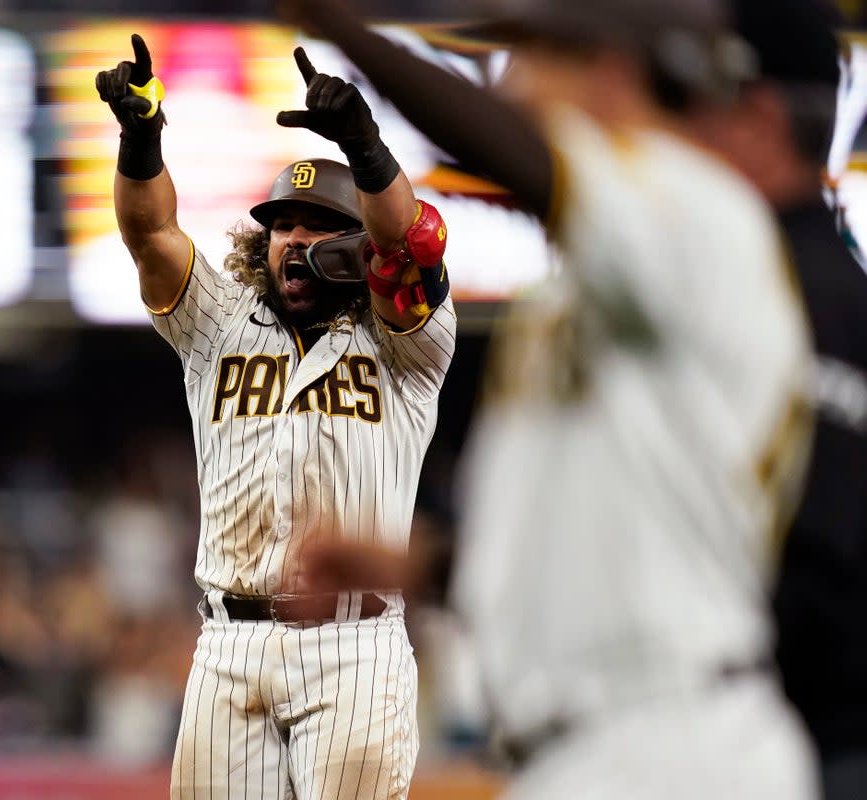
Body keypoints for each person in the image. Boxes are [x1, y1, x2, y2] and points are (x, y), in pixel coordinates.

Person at [287, 0, 823, 797]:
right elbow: (601, 535)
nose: (508, 82)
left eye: (532, 54)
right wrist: (417, 565)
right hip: (595, 748)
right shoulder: (606, 281)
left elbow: (522, 156)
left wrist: (337, 23)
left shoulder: (701, 215)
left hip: (671, 745)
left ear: (610, 71)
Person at [94, 34, 456, 799]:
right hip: (230, 643)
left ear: (357, 245)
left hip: (352, 645)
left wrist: (363, 144)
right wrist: (140, 139)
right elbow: (149, 234)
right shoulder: (217, 321)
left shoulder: (407, 343)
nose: (296, 238)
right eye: (284, 224)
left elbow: (407, 241)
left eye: (320, 224)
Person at [718, 4, 867, 799]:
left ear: (758, 113)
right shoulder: (840, 286)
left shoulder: (774, 292)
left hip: (792, 742)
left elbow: (805, 550)